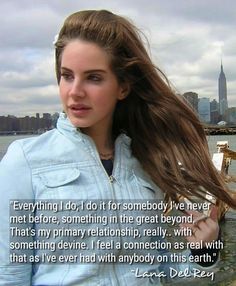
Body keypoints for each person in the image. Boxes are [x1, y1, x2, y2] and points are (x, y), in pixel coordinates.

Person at [0, 9, 235, 286]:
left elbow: (161, 272)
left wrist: (204, 252)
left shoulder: (146, 162)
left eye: (93, 77)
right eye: (66, 75)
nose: (75, 91)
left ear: (122, 87)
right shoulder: (25, 161)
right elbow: (10, 275)